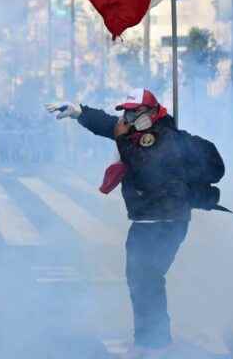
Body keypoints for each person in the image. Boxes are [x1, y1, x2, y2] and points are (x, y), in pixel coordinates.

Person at [45, 90, 193, 357]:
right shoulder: (134, 133)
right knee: (141, 278)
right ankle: (151, 339)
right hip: (149, 219)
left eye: (134, 112)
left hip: (164, 220)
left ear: (150, 113)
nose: (127, 118)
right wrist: (81, 111)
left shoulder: (165, 138)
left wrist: (123, 138)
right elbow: (110, 126)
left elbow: (144, 166)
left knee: (146, 278)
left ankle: (155, 343)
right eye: (126, 112)